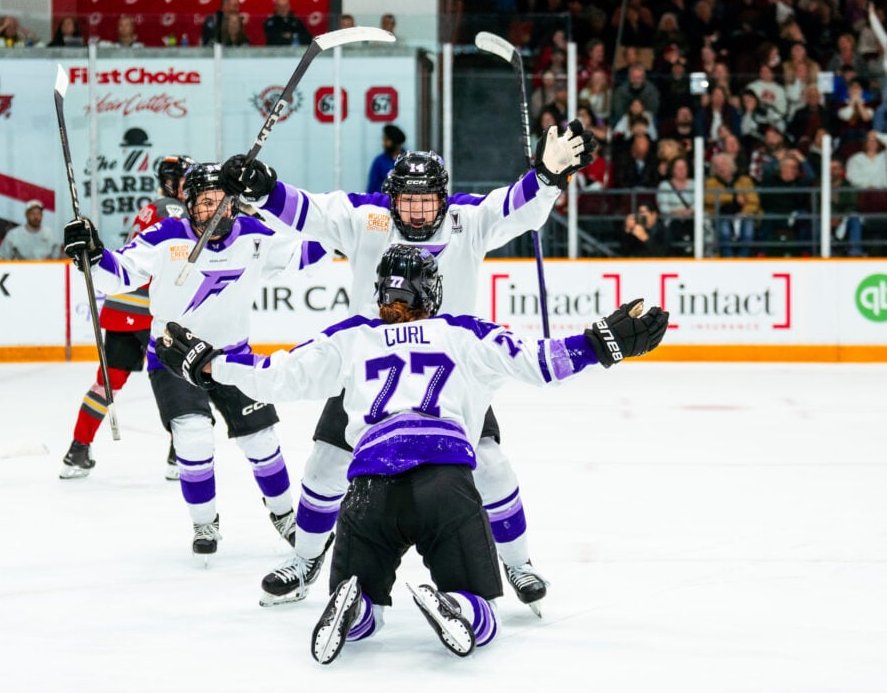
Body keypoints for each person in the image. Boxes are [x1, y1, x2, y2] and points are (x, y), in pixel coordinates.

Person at [154, 245, 668, 663]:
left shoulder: (351, 338)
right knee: (482, 608)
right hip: (443, 481)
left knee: (365, 603)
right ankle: (461, 606)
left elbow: (275, 376)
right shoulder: (463, 331)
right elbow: (542, 362)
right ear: (433, 292)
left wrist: (208, 366)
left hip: (368, 489)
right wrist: (602, 345)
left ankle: (355, 608)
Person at [218, 119, 596, 611]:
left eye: (427, 201)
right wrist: (265, 189)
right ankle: (306, 559)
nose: (417, 212)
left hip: (451, 374)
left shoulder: (469, 218)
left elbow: (515, 208)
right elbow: (307, 211)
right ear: (390, 196)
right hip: (370, 369)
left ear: (444, 197)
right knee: (325, 464)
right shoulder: (366, 218)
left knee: (491, 464)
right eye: (407, 201)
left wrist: (547, 175)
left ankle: (519, 563)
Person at [60, 162, 328, 557]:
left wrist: (337, 230)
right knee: (194, 438)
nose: (215, 210)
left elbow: (308, 252)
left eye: (222, 201)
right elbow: (118, 274)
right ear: (188, 204)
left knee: (261, 440)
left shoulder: (255, 234)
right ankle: (205, 522)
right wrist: (93, 255)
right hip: (174, 356)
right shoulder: (165, 236)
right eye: (206, 202)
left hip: (234, 355)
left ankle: (285, 516)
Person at [60, 156, 191, 480]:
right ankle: (181, 453)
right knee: (176, 378)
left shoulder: (150, 208)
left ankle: (78, 449)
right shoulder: (174, 211)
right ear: (174, 183)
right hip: (152, 310)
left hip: (122, 307)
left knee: (106, 383)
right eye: (187, 181)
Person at [365, 125, 406, 194]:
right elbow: (372, 187)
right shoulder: (379, 161)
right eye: (383, 140)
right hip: (381, 202)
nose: (383, 143)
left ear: (395, 141)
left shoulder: (407, 161)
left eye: (386, 140)